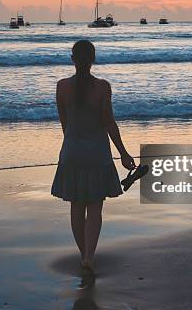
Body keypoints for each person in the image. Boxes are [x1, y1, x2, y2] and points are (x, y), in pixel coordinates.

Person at [52, 39, 135, 274]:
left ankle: (83, 255)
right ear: (93, 59)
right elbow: (109, 122)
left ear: (72, 59)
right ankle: (90, 255)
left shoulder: (61, 86)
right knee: (95, 208)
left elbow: (65, 124)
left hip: (72, 151)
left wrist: (73, 142)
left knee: (76, 206)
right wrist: (123, 153)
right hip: (97, 152)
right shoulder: (102, 87)